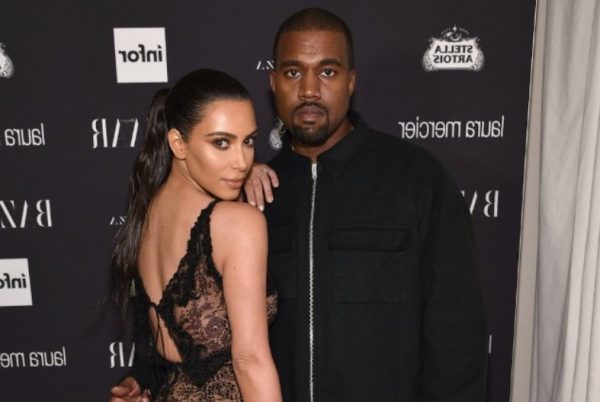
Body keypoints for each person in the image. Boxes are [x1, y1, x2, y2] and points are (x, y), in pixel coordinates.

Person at [112, 8, 488, 402]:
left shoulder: (416, 180)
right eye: (293, 73)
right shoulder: (246, 196)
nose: (309, 90)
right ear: (273, 83)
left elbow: (458, 332)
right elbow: (188, 326)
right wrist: (144, 380)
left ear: (351, 82)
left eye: (327, 72)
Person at [109, 69, 281, 402]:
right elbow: (250, 361)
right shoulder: (238, 223)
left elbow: (157, 351)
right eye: (221, 143)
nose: (242, 162)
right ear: (178, 143)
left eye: (248, 141)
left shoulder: (145, 216)